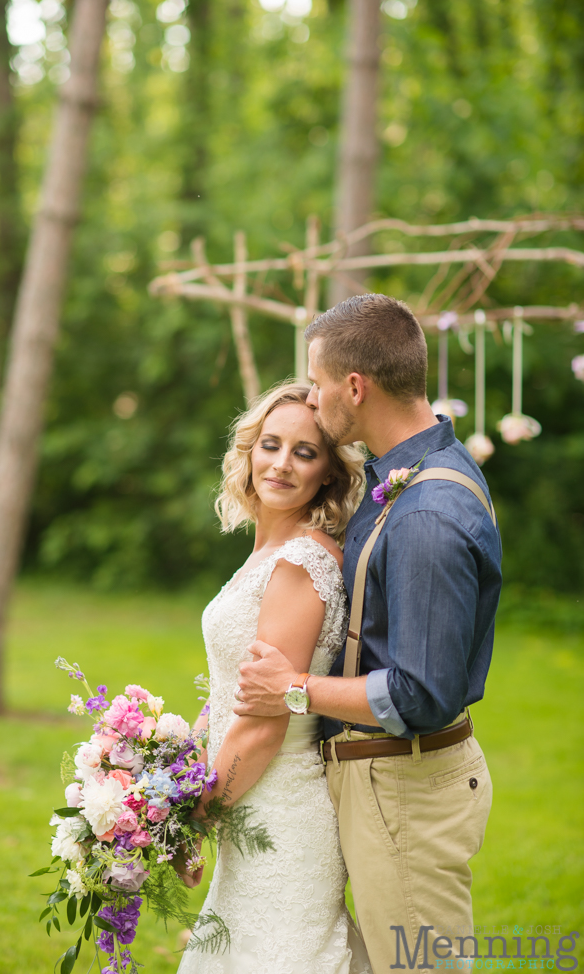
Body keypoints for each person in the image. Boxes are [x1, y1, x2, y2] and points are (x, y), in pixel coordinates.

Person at [234, 294, 502, 973]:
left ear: (353, 387)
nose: (316, 401)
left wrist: (290, 689)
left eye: (319, 384)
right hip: (382, 786)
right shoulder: (404, 480)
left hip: (405, 793)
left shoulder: (425, 516)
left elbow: (421, 692)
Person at [178, 382, 371, 974]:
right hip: (245, 800)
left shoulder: (298, 564)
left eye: (305, 452)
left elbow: (264, 724)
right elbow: (231, 686)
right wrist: (176, 765)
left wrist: (192, 822)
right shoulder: (269, 554)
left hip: (281, 816)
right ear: (249, 452)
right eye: (270, 444)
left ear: (329, 476)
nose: (282, 464)